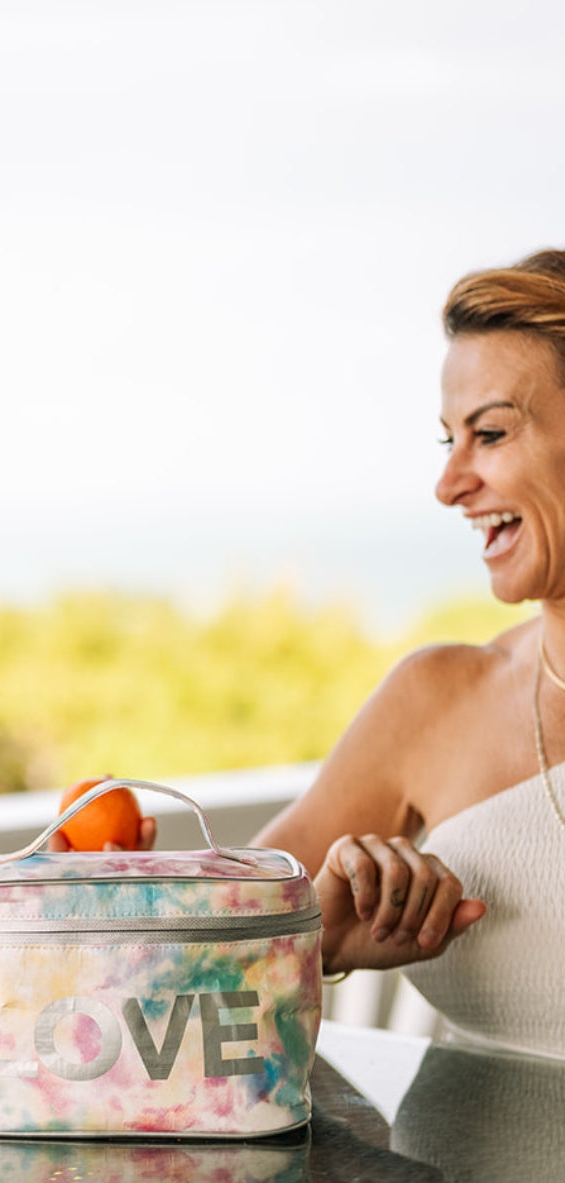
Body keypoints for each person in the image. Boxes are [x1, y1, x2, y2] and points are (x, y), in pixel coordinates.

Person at [255, 247, 565, 1058]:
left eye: (490, 434)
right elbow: (201, 946)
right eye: (448, 441)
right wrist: (313, 946)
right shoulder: (437, 699)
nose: (450, 483)